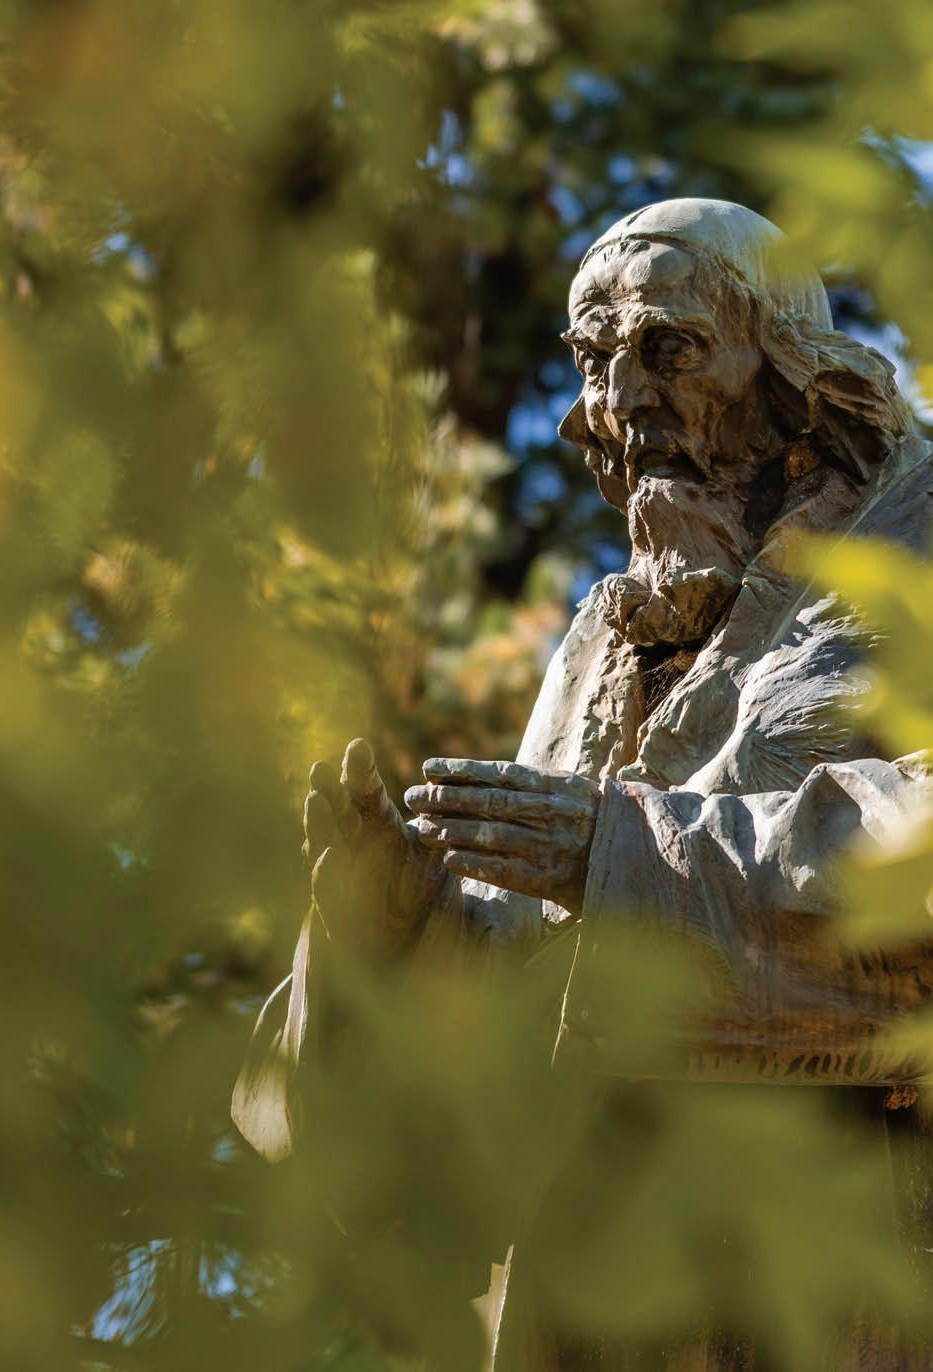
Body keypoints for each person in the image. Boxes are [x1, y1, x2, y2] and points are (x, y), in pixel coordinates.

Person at [232, 199, 933, 1365]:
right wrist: (392, 941)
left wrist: (625, 858)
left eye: (671, 349)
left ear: (792, 373)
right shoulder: (596, 651)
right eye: (596, 360)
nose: (622, 400)